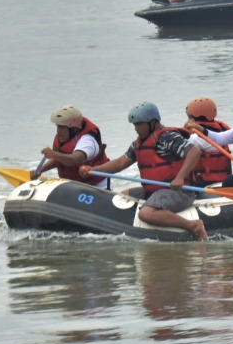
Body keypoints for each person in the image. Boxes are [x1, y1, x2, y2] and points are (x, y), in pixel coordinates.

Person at [80, 102, 207, 240]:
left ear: (152, 122)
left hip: (179, 191)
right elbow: (120, 162)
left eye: (139, 124)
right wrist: (93, 169)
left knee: (146, 213)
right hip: (154, 191)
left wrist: (180, 177)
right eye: (135, 124)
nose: (136, 128)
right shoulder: (138, 143)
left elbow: (194, 152)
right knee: (123, 196)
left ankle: (192, 225)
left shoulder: (167, 138)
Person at [40, 105, 111, 188]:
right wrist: (40, 170)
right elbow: (59, 159)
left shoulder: (88, 140)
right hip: (75, 185)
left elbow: (75, 159)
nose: (58, 131)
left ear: (73, 128)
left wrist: (54, 154)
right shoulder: (63, 137)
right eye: (57, 126)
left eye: (62, 127)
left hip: (97, 186)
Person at [183, 97, 232, 185]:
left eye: (190, 117)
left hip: (204, 184)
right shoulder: (222, 131)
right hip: (224, 180)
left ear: (199, 117)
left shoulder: (195, 139)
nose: (187, 121)